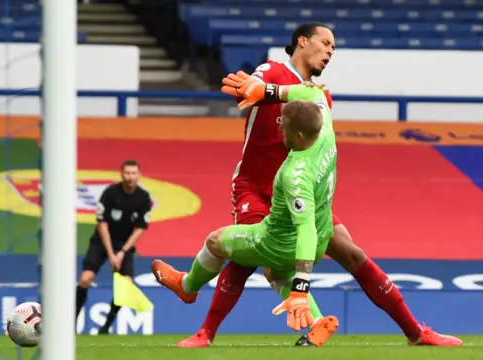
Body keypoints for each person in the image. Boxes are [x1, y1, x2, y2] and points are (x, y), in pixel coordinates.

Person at [179, 22, 462, 348]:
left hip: (301, 192)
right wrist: (255, 87)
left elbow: (307, 118)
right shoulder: (273, 69)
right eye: (325, 43)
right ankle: (207, 333)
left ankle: (417, 332)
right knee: (248, 258)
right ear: (302, 41)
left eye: (334, 48)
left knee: (353, 254)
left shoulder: (320, 95)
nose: (330, 52)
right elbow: (254, 84)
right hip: (256, 188)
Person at [152, 83, 339, 338]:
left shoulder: (295, 173)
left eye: (282, 124)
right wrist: (266, 91)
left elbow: (305, 230)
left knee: (215, 241)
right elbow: (314, 94)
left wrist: (301, 288)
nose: (278, 125)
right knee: (275, 272)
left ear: (298, 137)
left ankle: (187, 286)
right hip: (322, 235)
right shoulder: (325, 132)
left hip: (278, 242)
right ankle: (316, 320)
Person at [75, 160, 152, 334]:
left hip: (124, 245)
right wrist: (111, 254)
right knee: (85, 279)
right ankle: (71, 325)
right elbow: (102, 224)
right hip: (102, 242)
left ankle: (106, 327)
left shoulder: (143, 198)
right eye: (127, 173)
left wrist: (123, 252)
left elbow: (140, 228)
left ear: (138, 175)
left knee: (126, 284)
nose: (130, 177)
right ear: (121, 174)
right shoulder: (110, 194)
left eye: (133, 173)